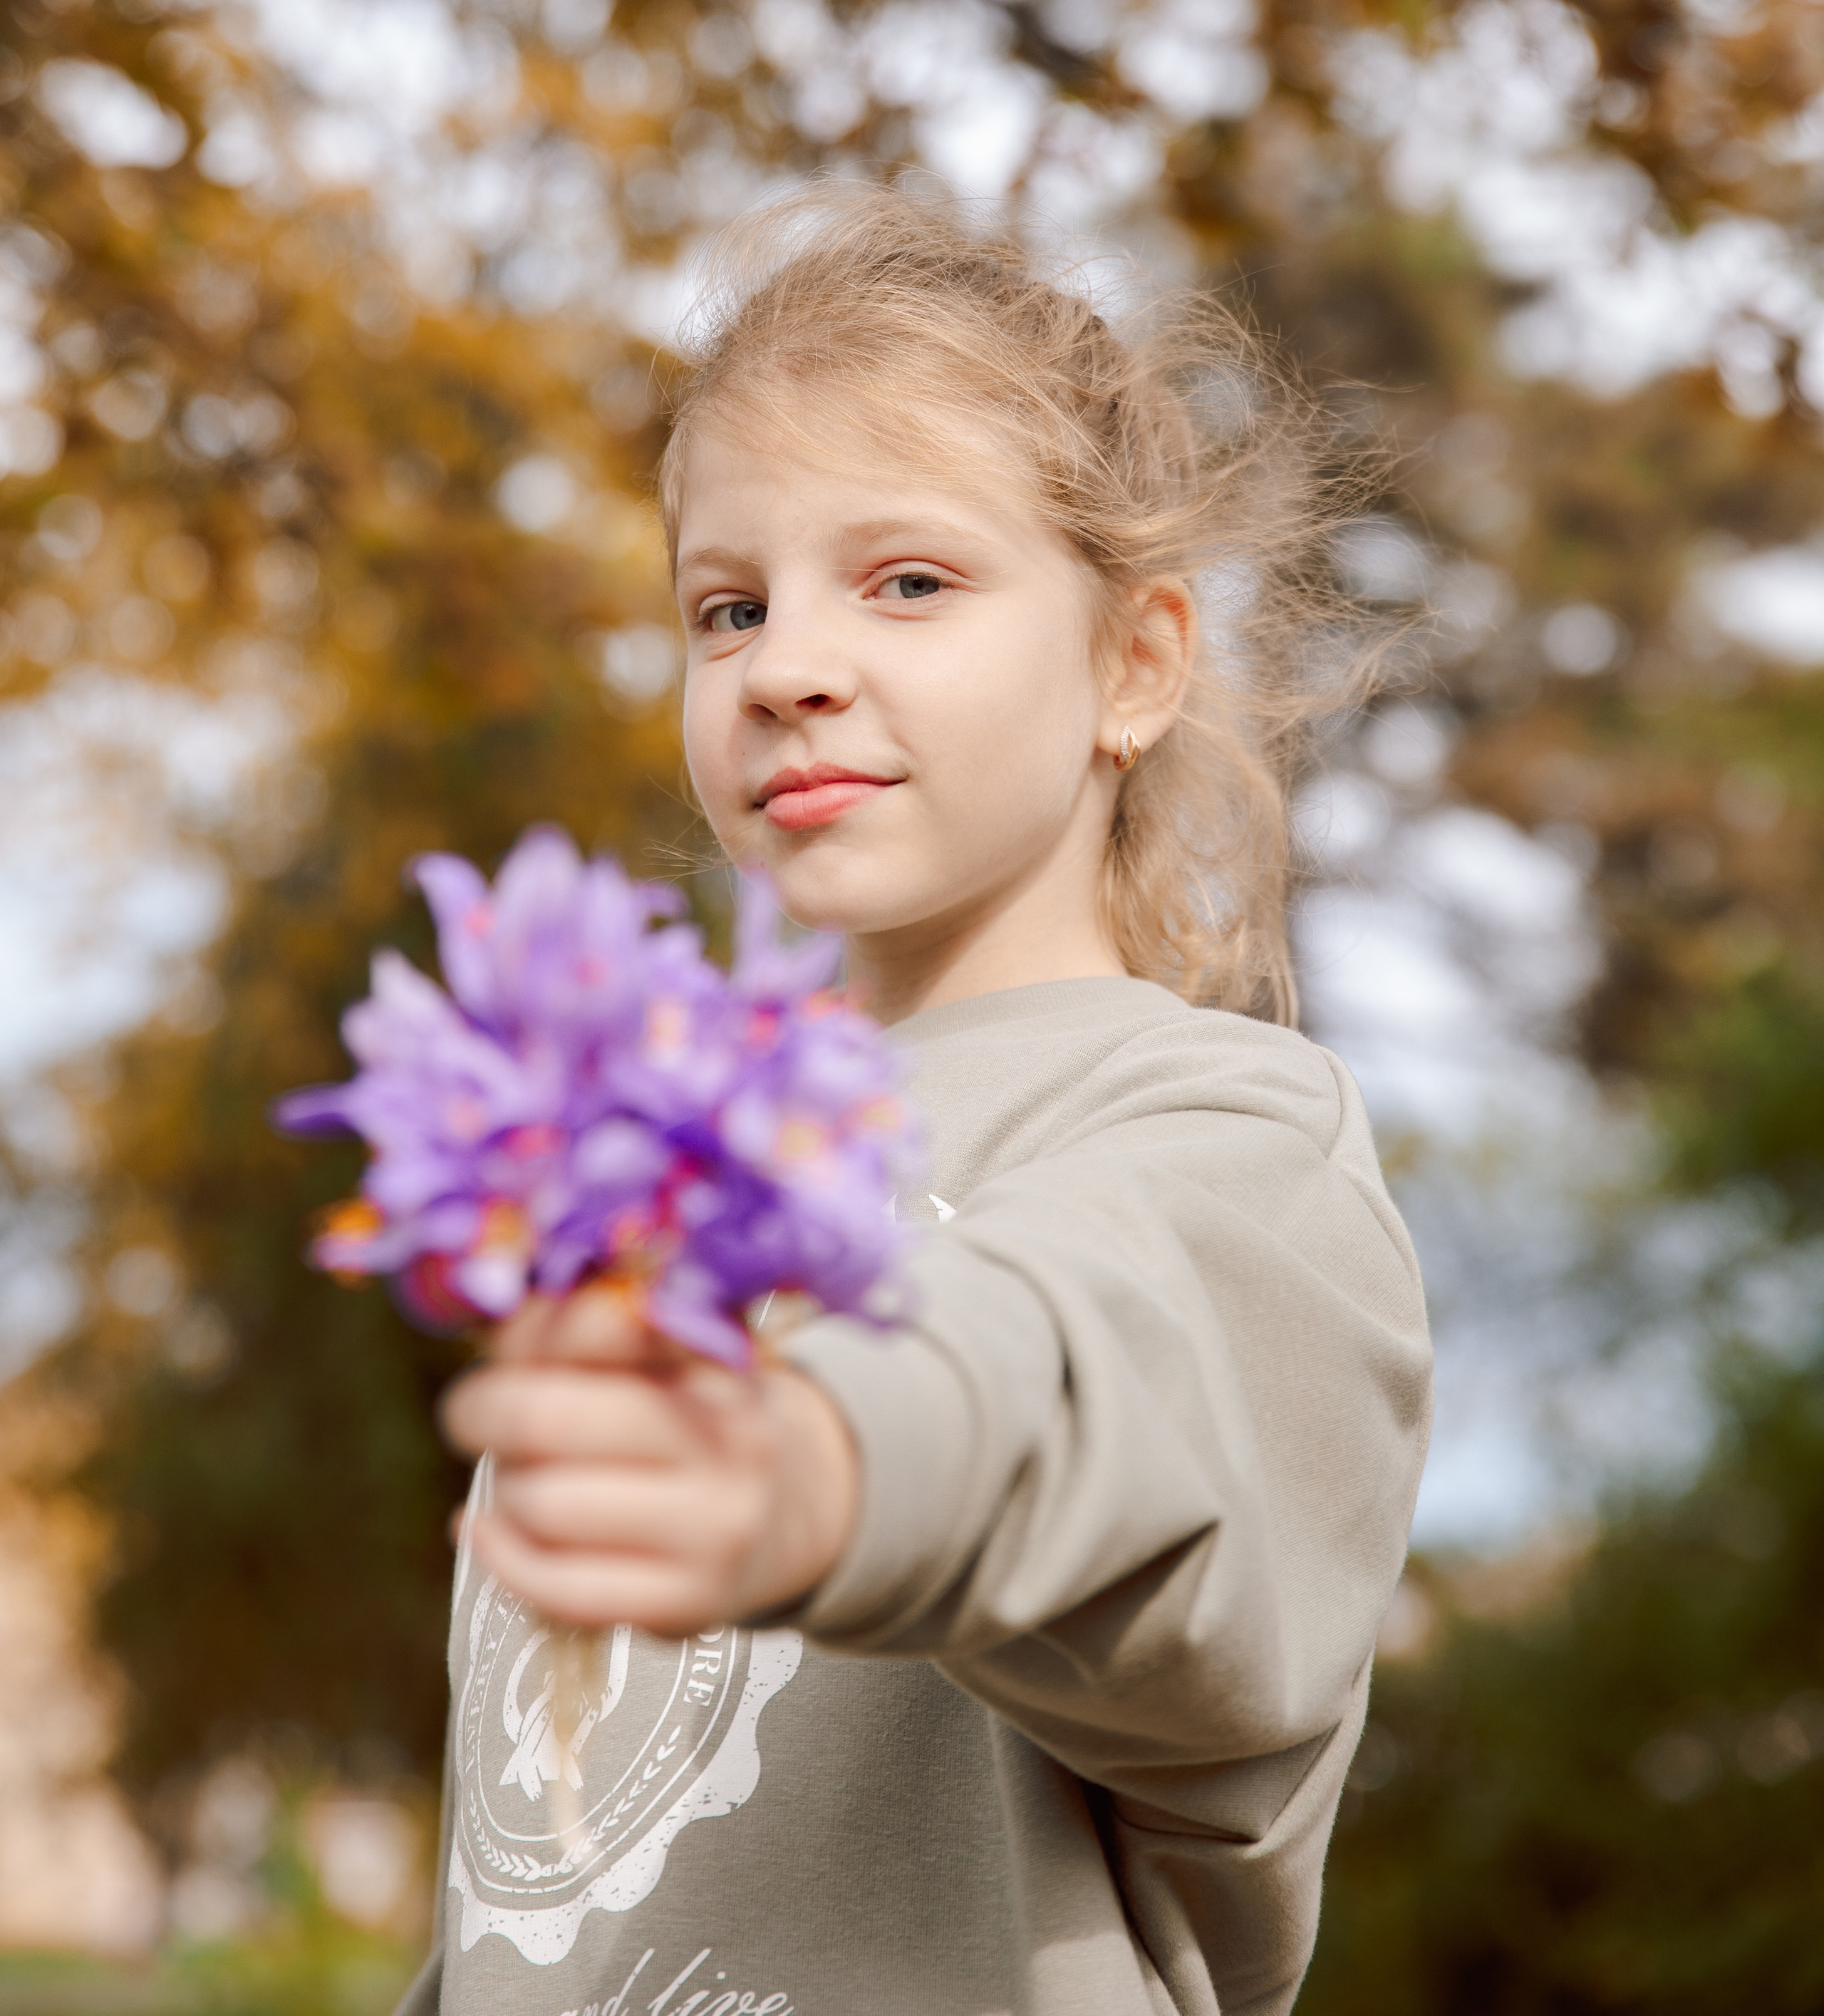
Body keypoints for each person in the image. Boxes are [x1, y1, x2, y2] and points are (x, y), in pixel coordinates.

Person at [398, 192, 1431, 2016]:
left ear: (1135, 664)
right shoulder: (652, 1178)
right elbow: (538, 1890)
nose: (784, 665)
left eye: (908, 581)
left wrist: (825, 1462)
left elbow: (1098, 1374)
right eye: (728, 606)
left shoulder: (1222, 1140)